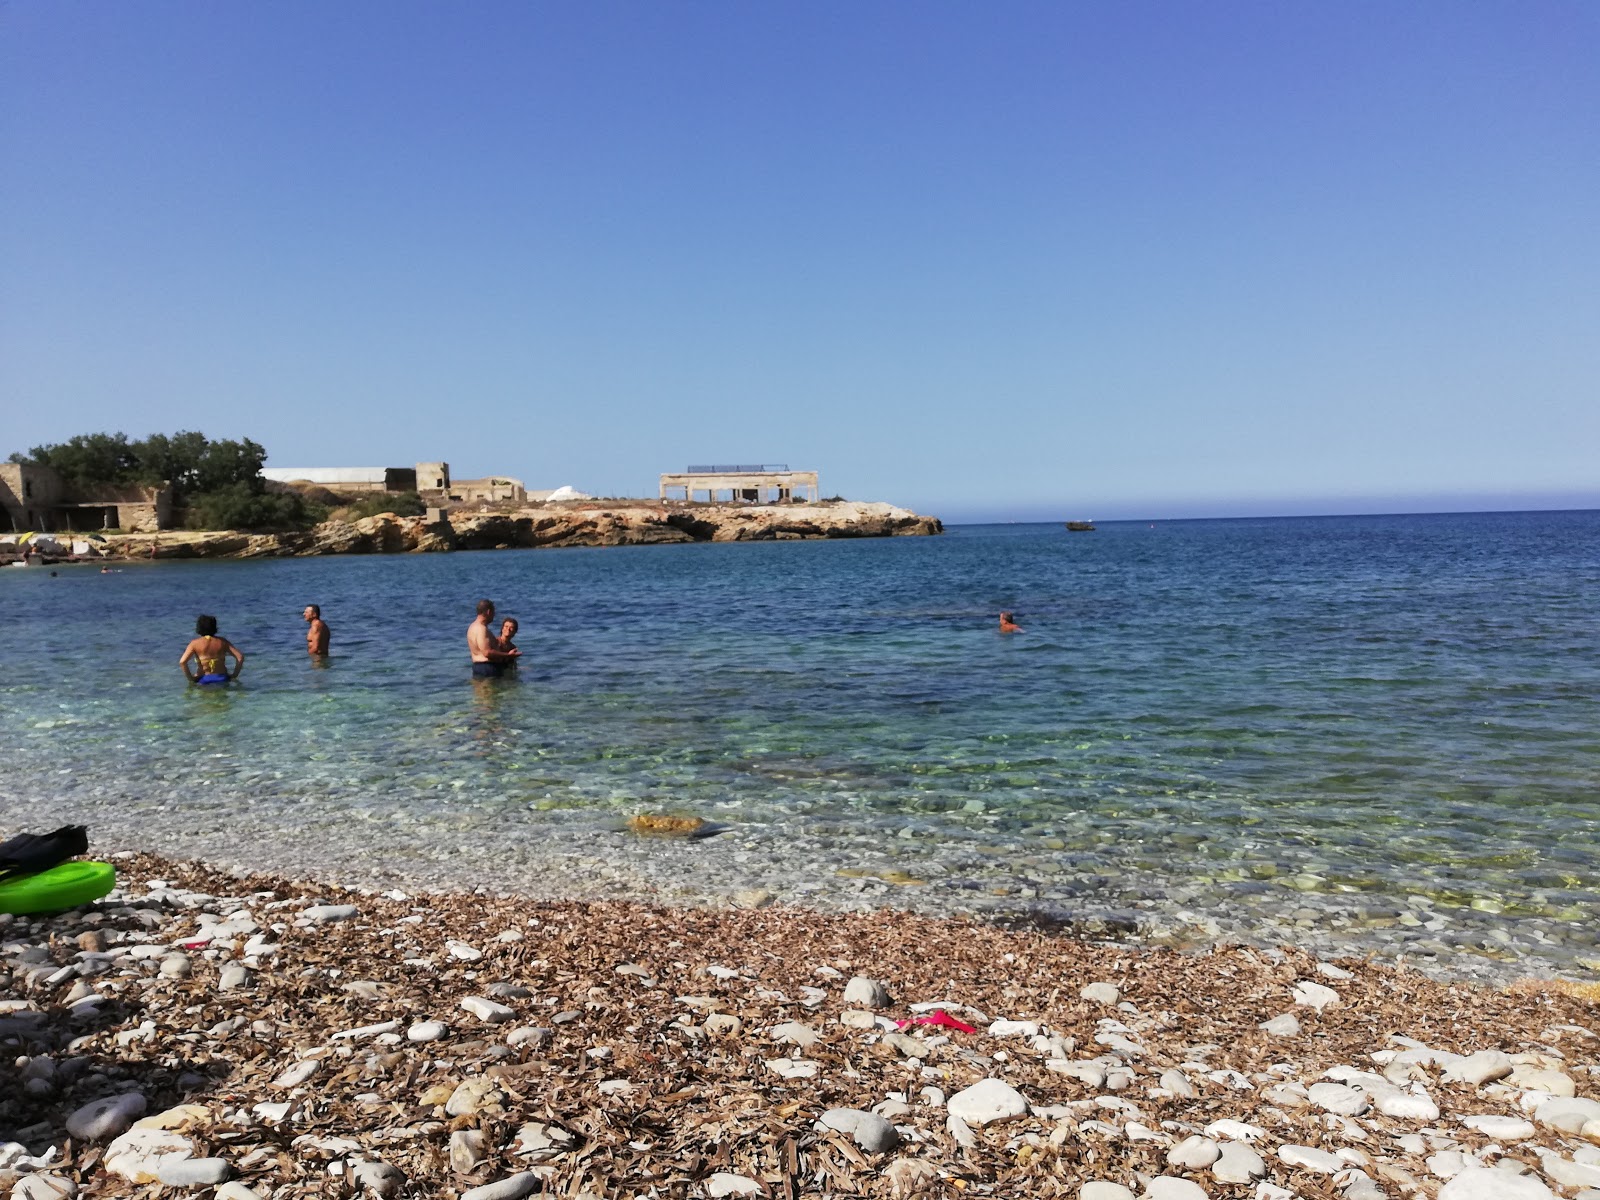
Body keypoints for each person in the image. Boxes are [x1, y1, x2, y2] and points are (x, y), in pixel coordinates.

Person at [180, 615, 244, 684]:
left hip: (204, 679)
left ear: (199, 628)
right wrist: (234, 675)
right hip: (222, 678)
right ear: (214, 627)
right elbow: (240, 657)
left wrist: (191, 679)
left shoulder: (194, 643)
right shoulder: (223, 641)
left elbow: (182, 662)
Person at [467, 599, 520, 677]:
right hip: (487, 668)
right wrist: (508, 655)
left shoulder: (472, 627)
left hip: (479, 667)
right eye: (493, 612)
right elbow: (487, 652)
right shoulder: (481, 629)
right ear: (489, 612)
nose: (494, 615)